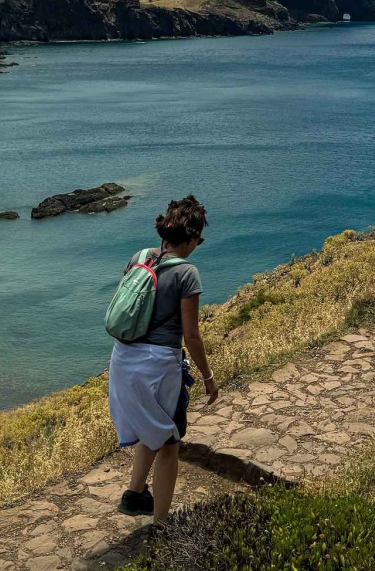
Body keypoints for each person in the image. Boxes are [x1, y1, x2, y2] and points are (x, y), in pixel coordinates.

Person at [107, 195, 219, 522]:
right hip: (158, 368)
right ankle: (161, 527)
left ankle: (135, 493)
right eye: (199, 239)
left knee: (152, 429)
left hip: (123, 360)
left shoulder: (140, 256)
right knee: (170, 441)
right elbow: (192, 336)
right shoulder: (187, 273)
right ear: (193, 237)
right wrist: (209, 378)